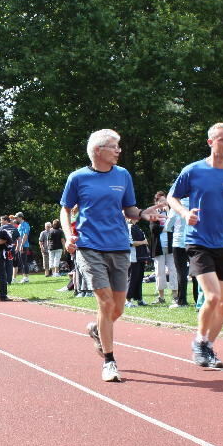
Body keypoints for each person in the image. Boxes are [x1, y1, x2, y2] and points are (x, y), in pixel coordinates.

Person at [60, 129, 156, 382]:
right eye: (114, 146)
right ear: (98, 150)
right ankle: (110, 361)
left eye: (119, 146)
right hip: (90, 247)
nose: (119, 150)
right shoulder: (78, 178)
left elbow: (130, 209)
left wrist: (144, 214)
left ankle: (96, 329)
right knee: (105, 302)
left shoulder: (123, 175)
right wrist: (68, 235)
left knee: (118, 308)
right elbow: (65, 209)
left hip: (119, 246)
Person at [167, 123, 223, 369]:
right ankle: (199, 341)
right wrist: (185, 214)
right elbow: (171, 197)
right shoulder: (194, 171)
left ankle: (208, 345)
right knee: (213, 296)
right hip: (198, 242)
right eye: (222, 140)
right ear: (210, 143)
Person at [150, 191, 176, 304]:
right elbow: (153, 229)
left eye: (164, 200)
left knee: (173, 270)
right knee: (159, 272)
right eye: (160, 201)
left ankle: (175, 295)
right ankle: (161, 296)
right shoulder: (153, 213)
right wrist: (165, 228)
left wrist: (168, 213)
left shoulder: (172, 212)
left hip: (171, 247)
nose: (163, 203)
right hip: (159, 247)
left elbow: (175, 227)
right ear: (156, 202)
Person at [126, 218, 149, 306]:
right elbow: (130, 242)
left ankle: (139, 298)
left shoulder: (137, 227)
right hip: (133, 257)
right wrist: (143, 242)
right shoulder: (128, 227)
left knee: (139, 278)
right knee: (132, 278)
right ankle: (128, 300)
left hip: (141, 256)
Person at [13, 212, 30, 283]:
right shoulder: (19, 225)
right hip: (20, 246)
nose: (15, 219)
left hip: (24, 246)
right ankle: (24, 277)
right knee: (21, 262)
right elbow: (18, 237)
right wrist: (17, 246)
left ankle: (26, 278)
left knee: (24, 262)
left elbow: (25, 235)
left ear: (20, 217)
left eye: (16, 217)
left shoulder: (25, 225)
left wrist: (21, 245)